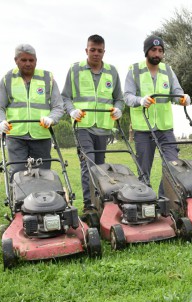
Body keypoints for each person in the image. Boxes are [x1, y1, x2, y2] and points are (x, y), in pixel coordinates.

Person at [62, 34, 125, 211]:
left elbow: (119, 98)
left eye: (99, 50)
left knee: (101, 165)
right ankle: (89, 205)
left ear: (104, 52)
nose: (96, 53)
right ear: (86, 50)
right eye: (92, 50)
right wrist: (71, 110)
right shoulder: (75, 70)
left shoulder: (112, 72)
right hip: (83, 125)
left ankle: (101, 202)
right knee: (88, 163)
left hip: (104, 127)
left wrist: (119, 109)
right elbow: (65, 97)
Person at [124, 35, 190, 194]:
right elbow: (127, 96)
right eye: (154, 50)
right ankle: (145, 200)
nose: (157, 54)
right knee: (144, 169)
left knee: (173, 165)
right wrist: (140, 100)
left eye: (160, 51)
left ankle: (162, 197)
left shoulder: (168, 70)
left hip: (164, 127)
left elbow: (177, 92)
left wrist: (183, 98)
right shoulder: (134, 70)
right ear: (146, 51)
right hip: (143, 128)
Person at [0, 44, 64, 180]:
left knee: (43, 174)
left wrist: (52, 118)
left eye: (31, 60)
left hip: (41, 135)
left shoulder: (47, 78)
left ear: (36, 60)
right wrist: (0, 121)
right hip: (16, 135)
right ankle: (19, 200)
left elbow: (58, 106)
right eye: (24, 60)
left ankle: (43, 200)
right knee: (18, 172)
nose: (28, 64)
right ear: (16, 60)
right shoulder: (8, 79)